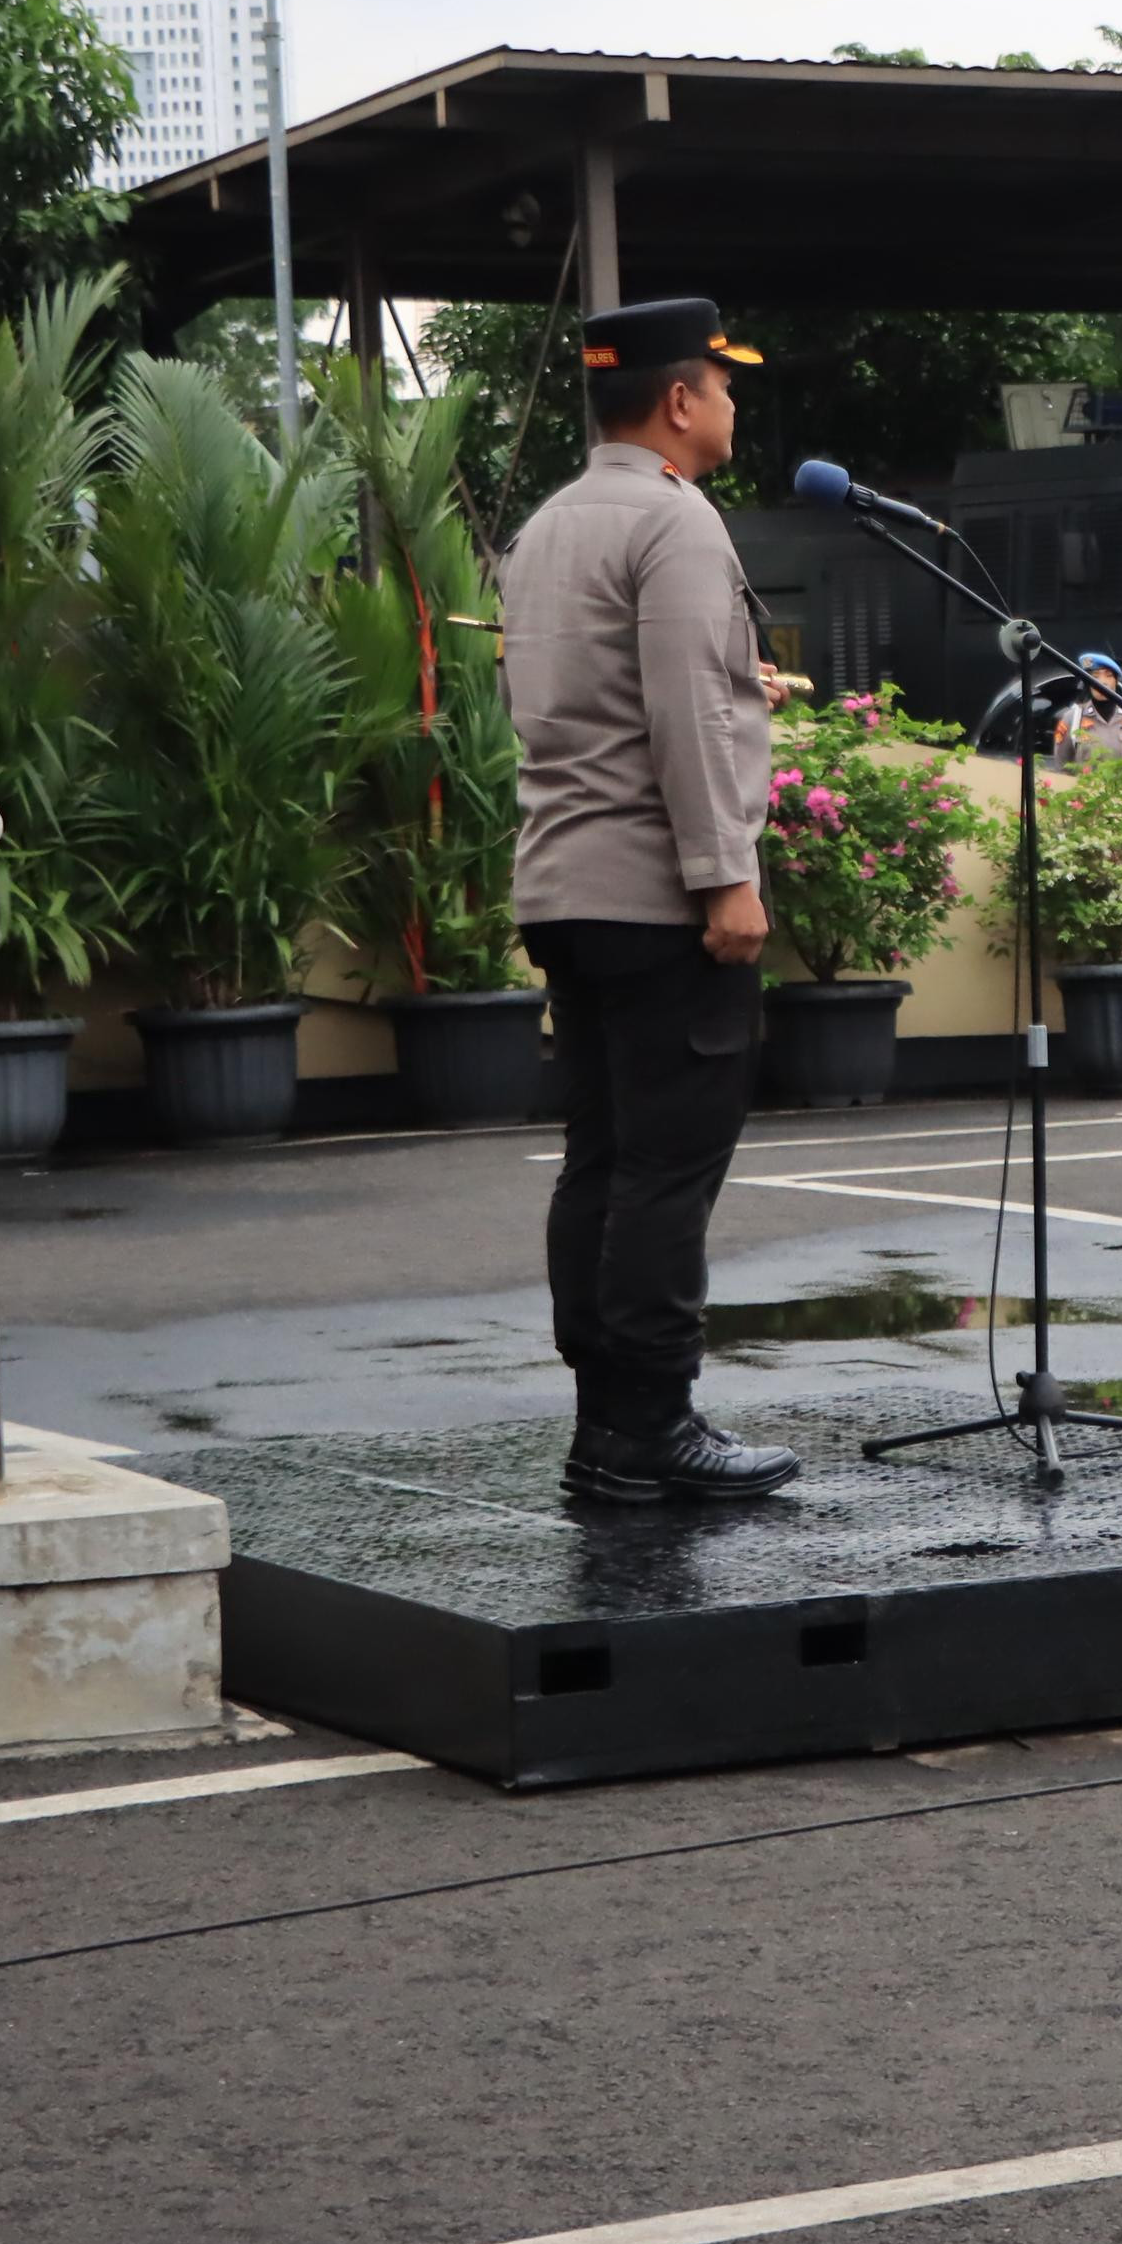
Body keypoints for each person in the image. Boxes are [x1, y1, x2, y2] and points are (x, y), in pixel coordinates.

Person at [503, 298, 816, 1504]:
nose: (732, 406)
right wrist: (727, 877)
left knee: (602, 1158)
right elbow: (686, 713)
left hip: (568, 884)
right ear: (680, 400)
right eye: (722, 387)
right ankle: (650, 1421)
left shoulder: (550, 523)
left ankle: (606, 1420)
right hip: (657, 896)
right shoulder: (674, 522)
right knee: (666, 1168)